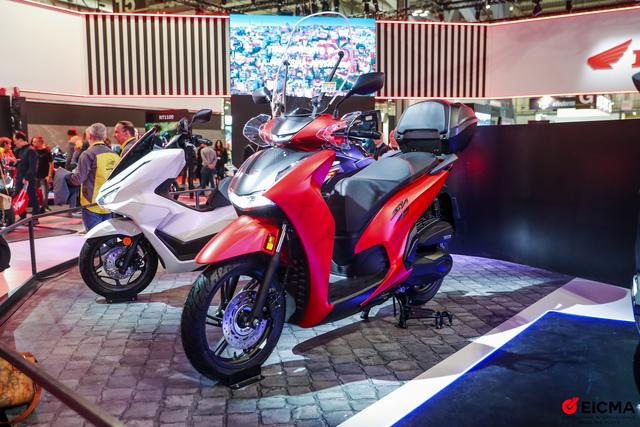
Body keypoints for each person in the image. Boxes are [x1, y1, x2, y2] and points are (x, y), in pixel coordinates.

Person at [68, 123, 120, 232]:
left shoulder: (87, 154)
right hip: (108, 203)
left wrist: (67, 177)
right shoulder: (115, 155)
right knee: (108, 237)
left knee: (94, 238)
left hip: (91, 204)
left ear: (90, 136)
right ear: (104, 136)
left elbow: (78, 179)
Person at [12, 131, 41, 220]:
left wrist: (27, 178)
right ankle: (22, 216)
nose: (14, 143)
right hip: (20, 179)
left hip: (28, 180)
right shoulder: (21, 150)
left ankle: (35, 218)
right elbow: (24, 163)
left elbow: (33, 167)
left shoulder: (31, 150)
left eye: (15, 141)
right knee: (17, 197)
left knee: (32, 198)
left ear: (20, 139)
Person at [33, 136, 53, 211]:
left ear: (40, 142)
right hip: (35, 175)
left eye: (35, 142)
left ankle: (44, 206)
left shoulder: (47, 152)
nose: (33, 143)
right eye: (33, 142)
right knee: (34, 192)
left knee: (45, 193)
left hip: (44, 175)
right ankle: (37, 207)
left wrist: (49, 175)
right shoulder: (34, 151)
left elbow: (51, 164)